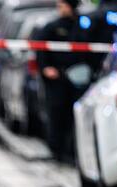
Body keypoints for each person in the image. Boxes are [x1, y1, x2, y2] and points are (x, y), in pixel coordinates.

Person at [33, 0, 84, 164]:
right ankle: (56, 151)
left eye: (62, 6)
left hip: (76, 79)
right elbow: (40, 48)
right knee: (56, 114)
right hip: (57, 79)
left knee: (72, 116)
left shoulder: (82, 25)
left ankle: (70, 151)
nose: (59, 9)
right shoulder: (52, 26)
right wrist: (46, 68)